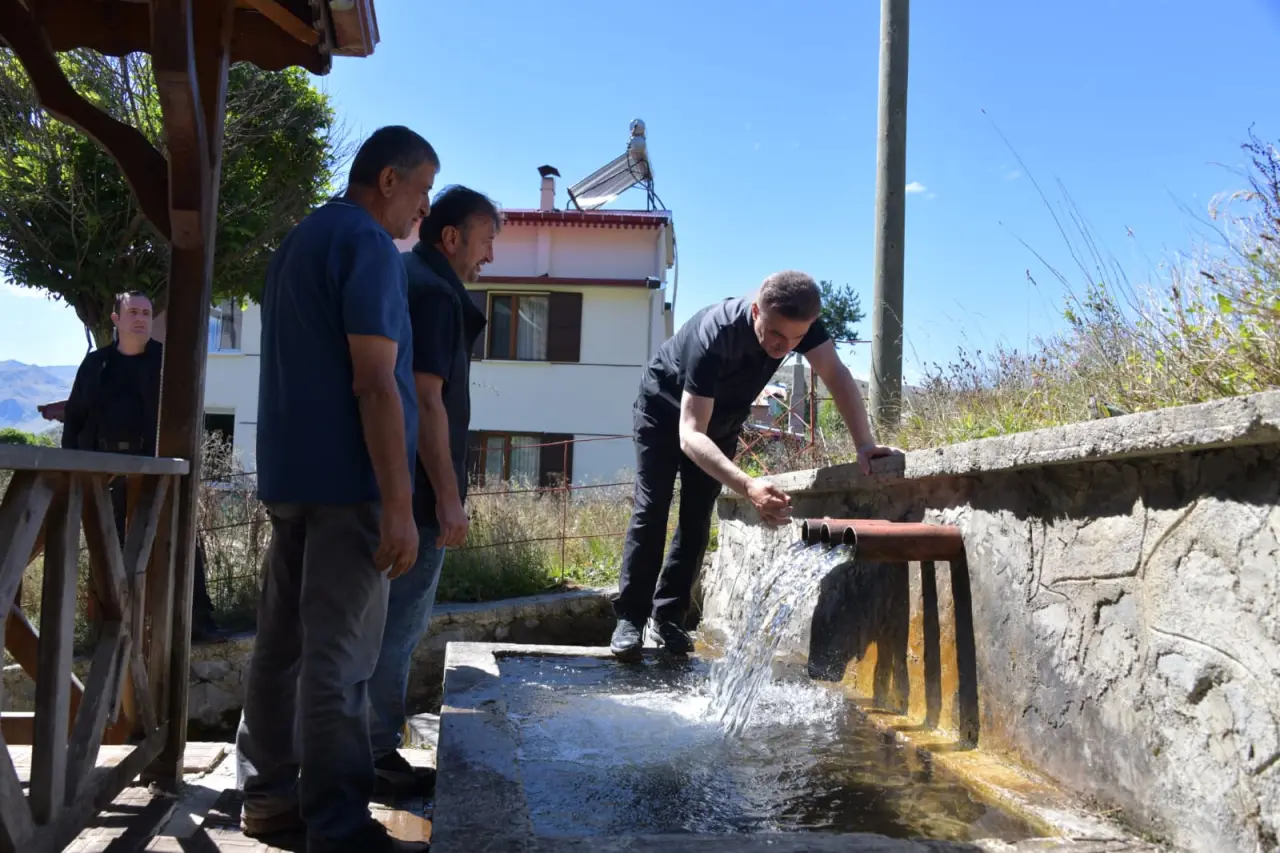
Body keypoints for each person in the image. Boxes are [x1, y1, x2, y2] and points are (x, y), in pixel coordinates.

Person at [234, 125, 437, 853]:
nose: (423, 210)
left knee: (281, 648)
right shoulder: (368, 246)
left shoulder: (298, 243)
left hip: (291, 477)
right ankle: (340, 827)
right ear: (387, 180)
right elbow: (375, 383)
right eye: (420, 191)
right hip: (351, 485)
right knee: (341, 662)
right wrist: (398, 505)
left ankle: (266, 801)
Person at [610, 271, 902, 660]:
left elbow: (835, 374)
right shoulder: (715, 334)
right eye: (776, 335)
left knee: (697, 517)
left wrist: (864, 444)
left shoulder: (804, 326)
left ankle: (668, 620)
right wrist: (748, 486)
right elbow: (690, 434)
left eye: (795, 340)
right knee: (654, 507)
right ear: (755, 312)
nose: (783, 347)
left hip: (723, 419)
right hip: (664, 413)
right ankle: (630, 618)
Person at [367, 185, 496, 796]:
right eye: (485, 241)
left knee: (368, 629)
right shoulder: (438, 293)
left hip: (379, 486)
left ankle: (357, 749)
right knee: (397, 631)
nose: (488, 257)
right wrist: (448, 497)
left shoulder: (404, 275)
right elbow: (426, 398)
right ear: (452, 238)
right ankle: (374, 755)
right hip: (415, 500)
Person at [61, 290, 223, 643]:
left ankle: (197, 623)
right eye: (133, 311)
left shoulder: (167, 364)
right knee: (111, 550)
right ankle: (113, 628)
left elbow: (187, 416)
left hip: (156, 472)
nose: (141, 318)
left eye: (146, 313)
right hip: (105, 473)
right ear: (116, 319)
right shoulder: (96, 364)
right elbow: (75, 417)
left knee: (178, 544)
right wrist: (71, 470)